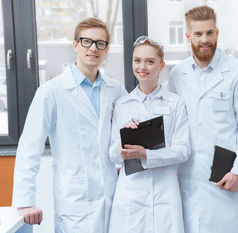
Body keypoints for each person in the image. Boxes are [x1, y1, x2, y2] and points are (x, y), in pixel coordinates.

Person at [12, 17, 128, 232]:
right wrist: (25, 201)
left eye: (100, 44)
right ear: (75, 45)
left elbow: (129, 132)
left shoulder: (116, 89)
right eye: (86, 41)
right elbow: (30, 146)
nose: (93, 48)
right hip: (75, 198)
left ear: (106, 50)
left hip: (111, 193)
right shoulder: (51, 91)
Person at [167, 6, 238, 233]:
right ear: (188, 37)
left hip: (225, 179)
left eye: (209, 33)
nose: (204, 40)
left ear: (217, 33)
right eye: (198, 34)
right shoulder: (178, 74)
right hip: (187, 177)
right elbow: (172, 122)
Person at [107, 36, 190, 233]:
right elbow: (111, 154)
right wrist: (123, 140)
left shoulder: (175, 103)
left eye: (150, 61)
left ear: (161, 65)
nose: (142, 67)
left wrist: (146, 154)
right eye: (137, 60)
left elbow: (183, 151)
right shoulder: (122, 104)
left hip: (165, 193)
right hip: (130, 195)